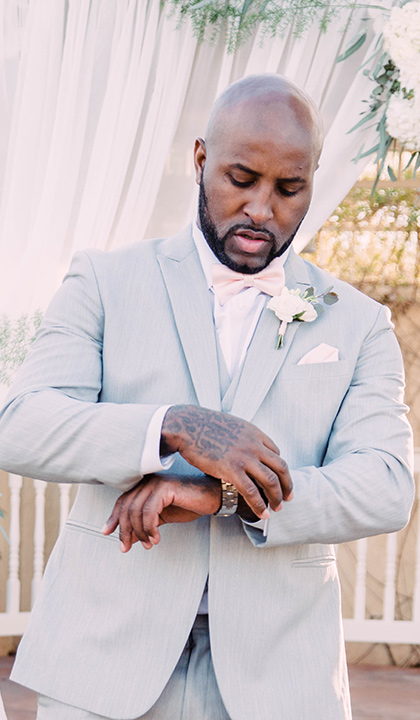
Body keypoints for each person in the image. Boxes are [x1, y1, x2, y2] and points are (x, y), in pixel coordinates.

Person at [0, 74, 414, 720]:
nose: (261, 209)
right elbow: (21, 424)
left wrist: (225, 495)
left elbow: (387, 484)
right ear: (200, 160)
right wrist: (174, 426)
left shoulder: (356, 323)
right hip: (106, 665)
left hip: (279, 679)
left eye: (288, 188)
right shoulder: (104, 282)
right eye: (241, 178)